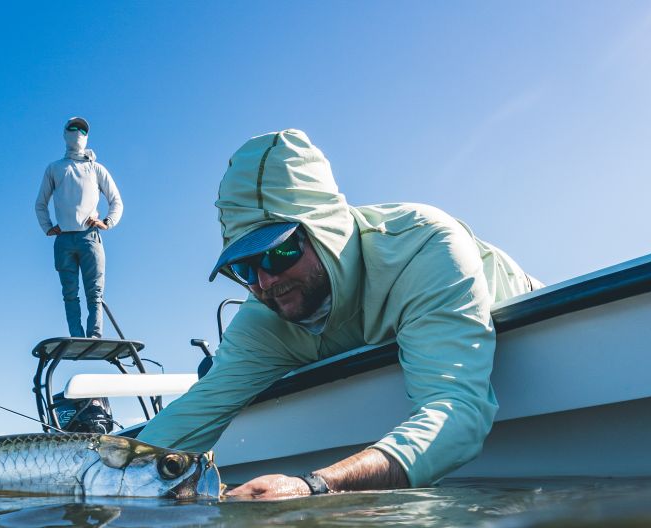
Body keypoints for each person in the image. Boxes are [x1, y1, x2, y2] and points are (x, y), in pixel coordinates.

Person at [140, 129, 539, 499]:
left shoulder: (425, 247)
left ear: (325, 231)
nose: (263, 282)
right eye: (244, 269)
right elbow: (183, 423)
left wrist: (314, 486)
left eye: (279, 252)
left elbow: (456, 409)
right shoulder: (262, 319)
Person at [34, 116, 124, 338]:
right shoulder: (54, 168)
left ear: (87, 137)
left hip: (90, 237)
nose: (78, 133)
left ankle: (94, 336)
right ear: (65, 134)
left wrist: (107, 222)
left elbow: (116, 201)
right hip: (64, 239)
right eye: (73, 128)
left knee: (95, 293)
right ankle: (77, 336)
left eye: (82, 130)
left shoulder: (96, 168)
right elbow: (40, 203)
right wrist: (47, 227)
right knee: (70, 293)